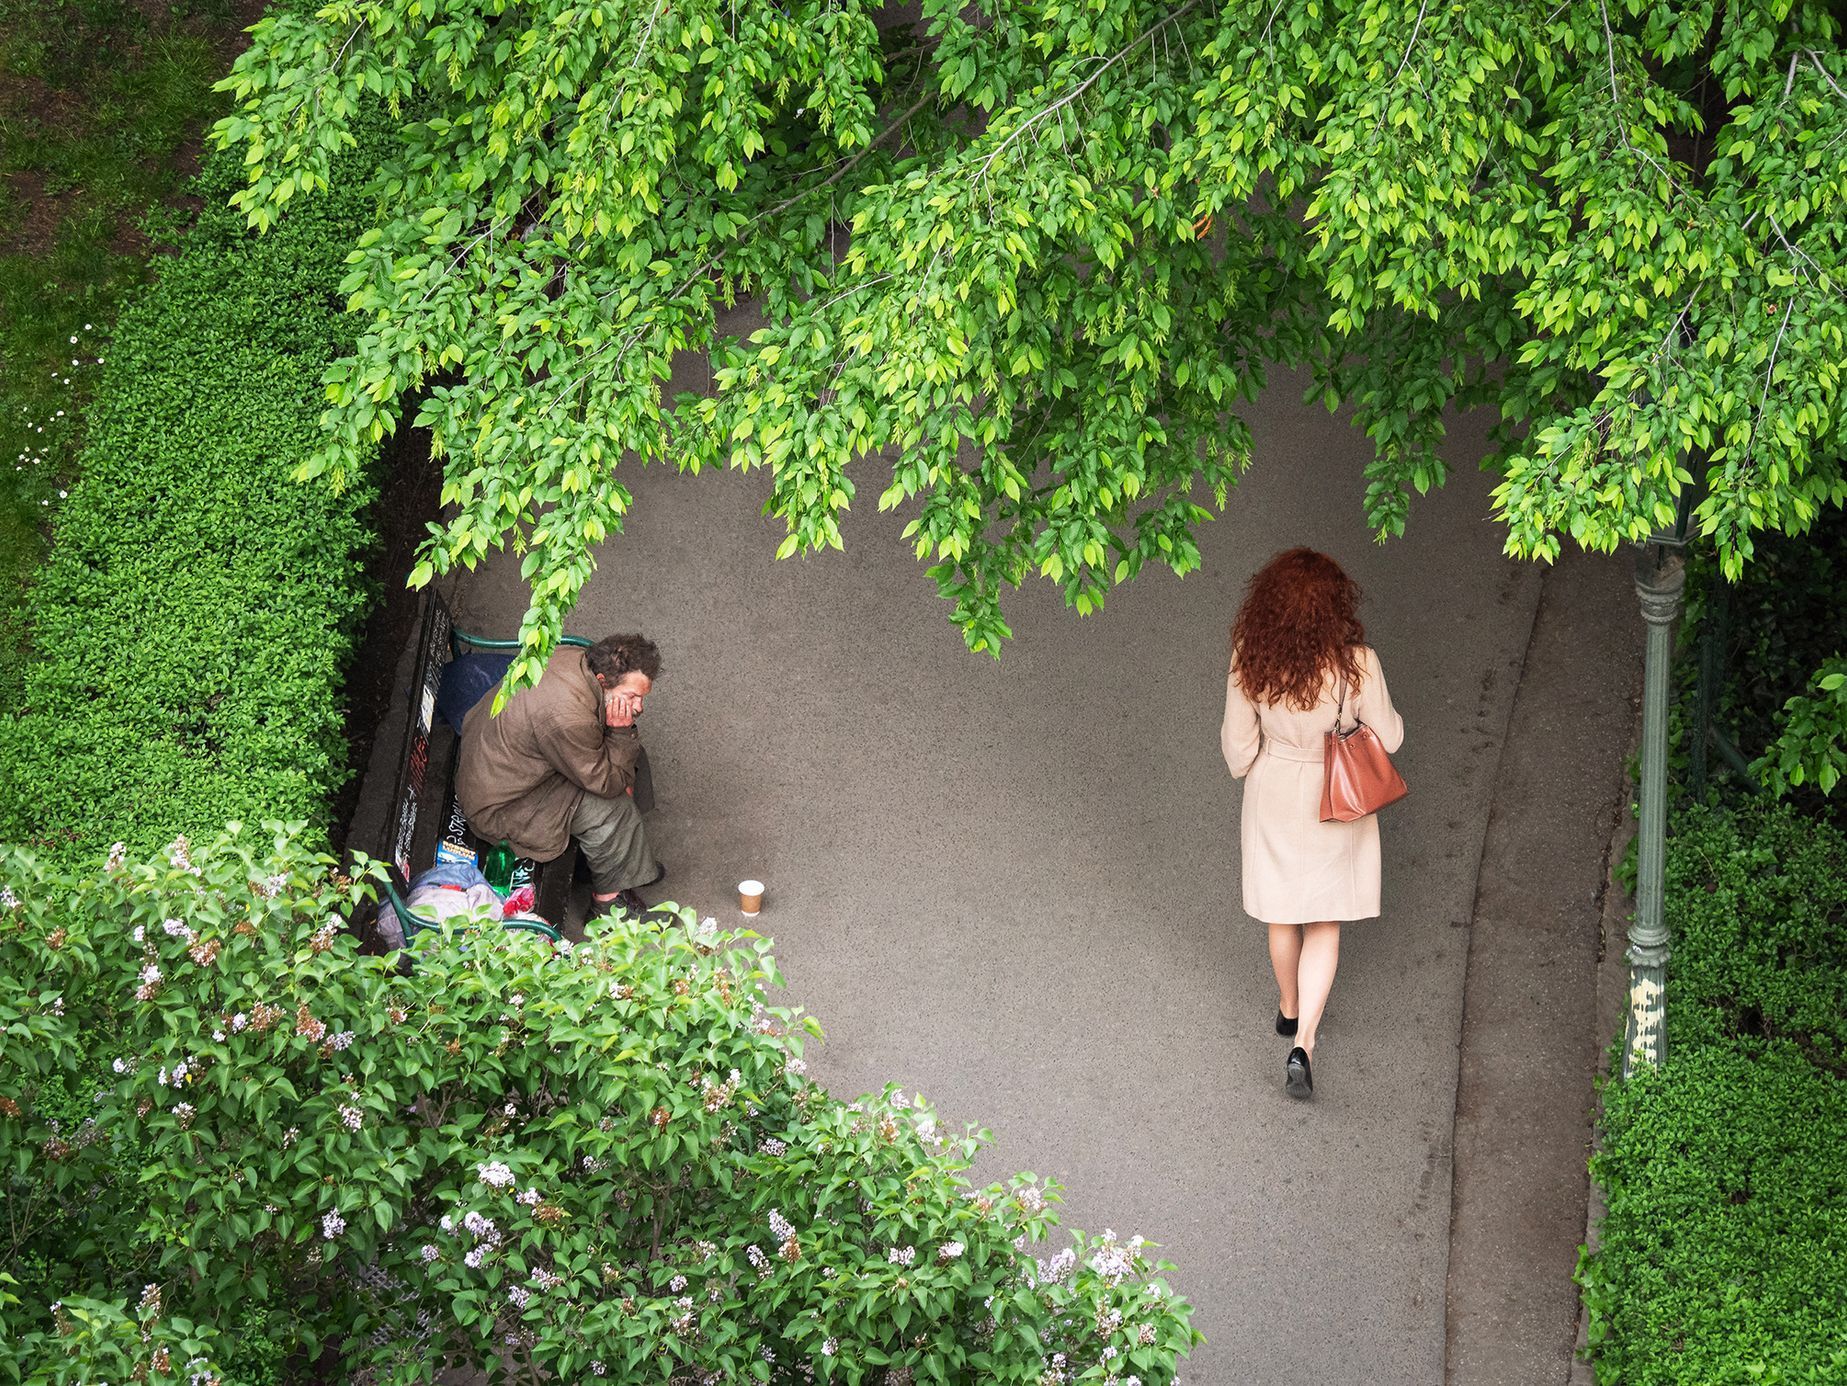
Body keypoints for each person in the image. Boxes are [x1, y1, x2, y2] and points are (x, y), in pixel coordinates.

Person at [1220, 549, 1405, 1099]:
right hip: (1336, 794)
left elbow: (1238, 749)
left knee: (1282, 913)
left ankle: (1288, 1006)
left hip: (1275, 788)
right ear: (1335, 604)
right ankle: (1303, 1042)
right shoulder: (1358, 663)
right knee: (1325, 918)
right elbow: (1391, 738)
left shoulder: (1250, 655)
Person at [455, 633, 664, 920]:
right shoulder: (568, 718)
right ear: (603, 681)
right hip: (504, 806)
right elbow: (606, 783)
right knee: (612, 810)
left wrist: (622, 738)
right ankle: (608, 910)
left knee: (631, 754)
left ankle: (624, 862)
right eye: (632, 697)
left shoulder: (576, 659)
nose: (639, 707)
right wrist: (620, 733)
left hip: (505, 772)